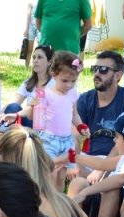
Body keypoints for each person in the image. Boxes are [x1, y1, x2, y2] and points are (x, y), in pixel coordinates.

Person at [22, 50, 86, 183]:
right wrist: (33, 106)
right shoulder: (45, 95)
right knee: (50, 174)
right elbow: (32, 117)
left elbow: (74, 114)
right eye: (65, 80)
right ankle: (46, 201)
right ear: (54, 74)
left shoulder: (72, 94)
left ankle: (57, 200)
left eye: (73, 81)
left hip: (67, 140)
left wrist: (80, 126)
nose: (69, 85)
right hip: (48, 140)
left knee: (62, 177)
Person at [76, 51, 124, 158]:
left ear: (117, 75)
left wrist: (102, 168)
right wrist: (75, 162)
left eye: (103, 69)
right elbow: (75, 131)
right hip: (89, 156)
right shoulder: (85, 99)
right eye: (95, 68)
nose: (97, 73)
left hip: (119, 158)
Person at [0, 45, 53, 129]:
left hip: (45, 124)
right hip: (29, 119)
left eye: (40, 57)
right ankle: (4, 133)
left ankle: (7, 134)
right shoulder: (29, 82)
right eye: (34, 57)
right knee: (13, 107)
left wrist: (16, 115)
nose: (35, 61)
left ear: (49, 62)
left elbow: (35, 108)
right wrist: (0, 115)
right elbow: (15, 101)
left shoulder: (54, 84)